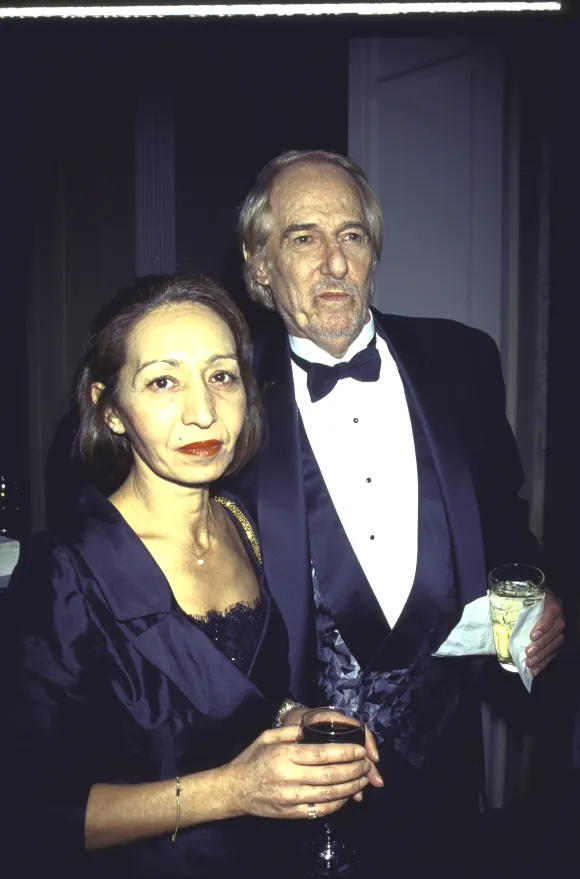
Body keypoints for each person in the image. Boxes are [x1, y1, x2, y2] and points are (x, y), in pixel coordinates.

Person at [225, 150, 566, 869]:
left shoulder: (464, 359)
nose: (334, 262)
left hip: (449, 778)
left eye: (352, 235)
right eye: (304, 237)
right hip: (300, 789)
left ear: (374, 252)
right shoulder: (227, 394)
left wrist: (533, 596)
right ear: (259, 263)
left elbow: (504, 516)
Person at [1, 275, 378, 879]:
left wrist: (292, 719)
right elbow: (26, 814)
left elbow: (241, 696)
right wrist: (233, 791)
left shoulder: (243, 524)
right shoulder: (63, 574)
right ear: (109, 409)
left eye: (221, 376)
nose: (203, 412)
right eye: (163, 381)